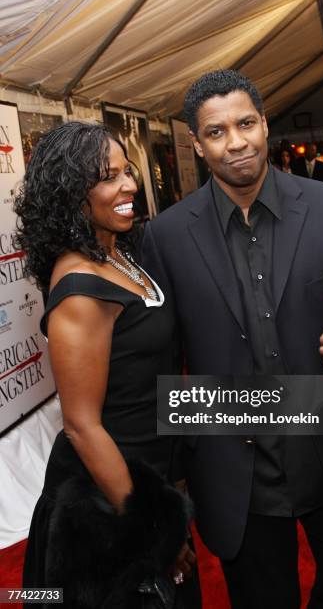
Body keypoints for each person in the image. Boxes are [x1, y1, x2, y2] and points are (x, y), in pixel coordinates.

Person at [142, 70, 323, 609]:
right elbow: (165, 362)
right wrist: (172, 481)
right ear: (196, 143)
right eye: (216, 132)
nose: (235, 142)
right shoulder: (165, 236)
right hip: (238, 471)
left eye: (246, 124)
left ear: (265, 125)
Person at [14, 121, 196, 608]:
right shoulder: (79, 285)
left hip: (148, 485)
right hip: (107, 512)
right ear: (72, 195)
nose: (129, 185)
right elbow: (82, 426)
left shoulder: (119, 254)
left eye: (126, 171)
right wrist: (153, 531)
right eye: (107, 177)